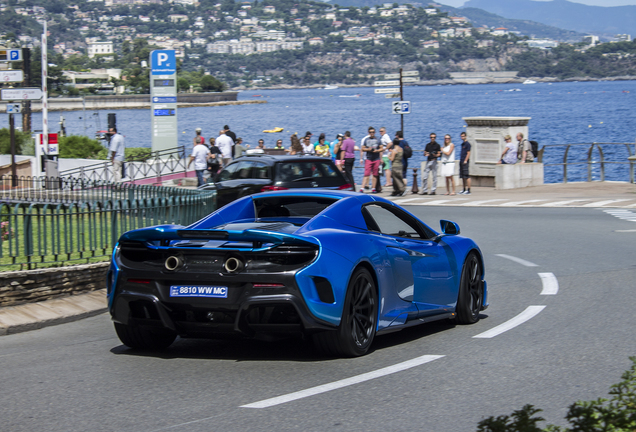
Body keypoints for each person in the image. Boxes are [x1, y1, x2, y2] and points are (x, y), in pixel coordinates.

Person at [360, 127, 384, 193]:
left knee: (375, 174)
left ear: (375, 133)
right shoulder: (366, 140)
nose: (372, 133)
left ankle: (373, 188)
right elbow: (363, 148)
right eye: (370, 132)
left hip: (376, 159)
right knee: (366, 173)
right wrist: (369, 149)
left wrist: (377, 150)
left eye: (373, 132)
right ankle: (362, 188)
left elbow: (382, 148)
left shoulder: (378, 139)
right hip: (369, 158)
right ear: (368, 133)